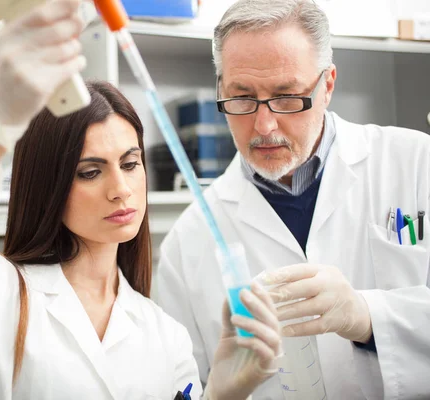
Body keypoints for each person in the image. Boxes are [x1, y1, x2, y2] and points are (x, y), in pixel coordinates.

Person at [0, 1, 282, 399]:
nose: (120, 188)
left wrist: (221, 396)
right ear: (49, 184)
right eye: (90, 171)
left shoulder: (163, 333)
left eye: (130, 163)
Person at [156, 0, 430, 399]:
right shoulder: (188, 241)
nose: (264, 125)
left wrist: (368, 316)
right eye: (242, 98)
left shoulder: (417, 163)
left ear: (328, 85)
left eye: (286, 97)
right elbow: (181, 387)